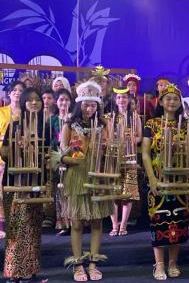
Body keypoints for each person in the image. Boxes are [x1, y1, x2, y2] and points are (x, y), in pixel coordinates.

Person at [60, 81, 113, 281]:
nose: (89, 108)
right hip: (76, 175)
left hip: (98, 174)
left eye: (93, 105)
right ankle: (77, 264)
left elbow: (109, 148)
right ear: (79, 104)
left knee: (97, 221)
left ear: (98, 105)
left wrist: (106, 146)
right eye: (86, 104)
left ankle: (93, 263)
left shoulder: (104, 124)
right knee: (76, 223)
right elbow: (63, 151)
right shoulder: (68, 123)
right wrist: (71, 156)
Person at [2, 88, 54, 283]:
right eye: (30, 100)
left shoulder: (45, 127)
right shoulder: (14, 125)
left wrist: (49, 159)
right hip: (14, 183)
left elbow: (50, 155)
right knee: (16, 228)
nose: (34, 103)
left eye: (37, 100)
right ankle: (13, 272)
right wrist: (17, 146)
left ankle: (29, 272)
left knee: (32, 228)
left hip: (36, 184)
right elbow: (4, 153)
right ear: (23, 102)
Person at [142, 83, 189, 280]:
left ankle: (173, 262)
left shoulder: (186, 125)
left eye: (176, 99)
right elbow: (145, 154)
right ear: (161, 101)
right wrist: (152, 179)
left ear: (180, 103)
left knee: (177, 221)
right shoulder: (151, 125)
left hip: (179, 181)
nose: (172, 102)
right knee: (159, 221)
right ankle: (159, 264)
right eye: (168, 98)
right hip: (158, 180)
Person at [107, 88, 142, 237]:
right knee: (114, 192)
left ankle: (123, 224)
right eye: (119, 97)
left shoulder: (134, 116)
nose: (122, 100)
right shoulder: (110, 117)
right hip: (114, 158)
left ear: (128, 100)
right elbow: (107, 137)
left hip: (130, 156)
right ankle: (114, 224)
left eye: (124, 98)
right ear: (115, 100)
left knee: (128, 192)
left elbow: (139, 137)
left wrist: (131, 140)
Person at [0, 81, 25, 240]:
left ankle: (18, 225)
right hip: (1, 156)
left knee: (18, 192)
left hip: (21, 157)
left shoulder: (26, 113)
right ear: (9, 94)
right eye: (14, 90)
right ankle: (1, 225)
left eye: (20, 90)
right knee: (1, 194)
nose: (17, 92)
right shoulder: (1, 112)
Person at [52, 88, 73, 236]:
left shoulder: (74, 119)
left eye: (66, 99)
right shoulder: (52, 120)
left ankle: (76, 222)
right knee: (60, 192)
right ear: (56, 102)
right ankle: (64, 224)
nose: (63, 102)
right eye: (61, 100)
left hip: (73, 158)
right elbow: (49, 140)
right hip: (57, 159)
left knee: (72, 191)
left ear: (71, 102)